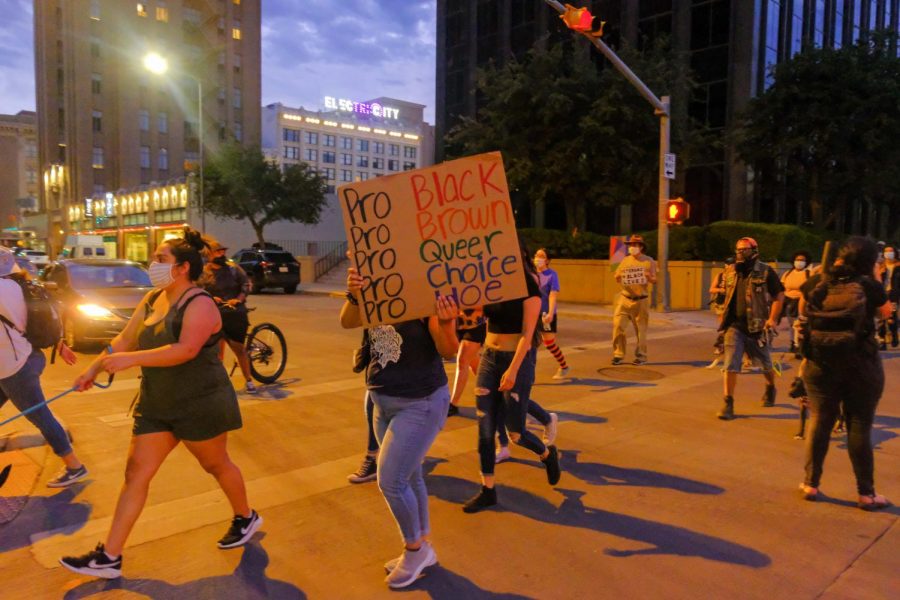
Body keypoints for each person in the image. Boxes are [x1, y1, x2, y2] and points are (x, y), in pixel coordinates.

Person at [60, 230, 261, 579]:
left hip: (200, 402)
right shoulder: (153, 299)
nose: (153, 264)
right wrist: (92, 369)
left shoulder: (200, 303)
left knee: (216, 465)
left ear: (183, 267)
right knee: (136, 473)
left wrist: (132, 360)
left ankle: (245, 516)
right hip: (157, 404)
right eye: (154, 258)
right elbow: (124, 338)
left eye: (161, 259)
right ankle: (110, 556)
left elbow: (184, 350)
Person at [340, 267, 459, 589]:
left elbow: (449, 350)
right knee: (411, 476)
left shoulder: (425, 288)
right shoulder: (373, 286)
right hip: (382, 401)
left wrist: (447, 322)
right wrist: (355, 294)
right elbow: (348, 321)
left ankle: (414, 549)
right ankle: (424, 546)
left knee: (391, 481)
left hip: (420, 402)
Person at [463, 241, 562, 514]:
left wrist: (513, 369)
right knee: (484, 430)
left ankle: (546, 454)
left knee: (515, 432)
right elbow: (477, 312)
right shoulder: (491, 283)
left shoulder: (529, 285)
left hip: (515, 360)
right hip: (489, 359)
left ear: (520, 254)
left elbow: (528, 335)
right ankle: (488, 490)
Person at [797, 236, 891, 510]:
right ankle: (867, 493)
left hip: (820, 363)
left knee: (820, 421)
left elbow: (804, 310)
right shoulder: (868, 286)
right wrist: (873, 278)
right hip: (860, 364)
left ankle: (810, 484)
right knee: (859, 426)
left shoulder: (818, 281)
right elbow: (885, 313)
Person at [0, 247, 86, 488]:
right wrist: (59, 345)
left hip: (15, 369)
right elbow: (31, 324)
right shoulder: (17, 286)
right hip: (23, 360)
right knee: (41, 416)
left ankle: (74, 466)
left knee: (41, 417)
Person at [716, 237, 785, 420]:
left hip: (756, 327)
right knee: (730, 365)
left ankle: (770, 387)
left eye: (744, 250)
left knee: (766, 365)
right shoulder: (730, 272)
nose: (740, 253)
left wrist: (772, 319)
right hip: (734, 326)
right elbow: (726, 297)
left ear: (754, 251)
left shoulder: (765, 271)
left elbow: (779, 295)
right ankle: (728, 402)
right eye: (738, 250)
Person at [198, 241, 256, 394]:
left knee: (238, 348)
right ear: (209, 255)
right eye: (217, 252)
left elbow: (246, 284)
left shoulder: (233, 269)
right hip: (215, 314)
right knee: (216, 350)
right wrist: (211, 297)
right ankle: (218, 382)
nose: (221, 254)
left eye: (222, 251)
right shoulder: (204, 273)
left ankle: (249, 380)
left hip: (234, 313)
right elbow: (199, 290)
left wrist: (239, 298)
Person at [612, 235, 657, 365]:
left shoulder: (649, 261)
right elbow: (617, 277)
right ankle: (618, 354)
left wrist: (649, 277)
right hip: (625, 298)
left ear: (641, 247)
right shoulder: (625, 260)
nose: (631, 247)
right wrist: (618, 276)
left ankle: (641, 356)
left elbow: (655, 280)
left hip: (641, 300)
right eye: (630, 245)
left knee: (641, 330)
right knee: (618, 326)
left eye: (634, 245)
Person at [534, 248, 569, 379]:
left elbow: (553, 295)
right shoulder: (531, 273)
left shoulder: (552, 275)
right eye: (536, 255)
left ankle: (564, 366)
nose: (537, 258)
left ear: (547, 260)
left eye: (541, 256)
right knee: (529, 344)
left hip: (545, 314)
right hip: (532, 313)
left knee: (549, 343)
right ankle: (526, 373)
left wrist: (550, 314)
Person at [447, 306, 486, 417]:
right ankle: (495, 391)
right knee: (474, 364)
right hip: (459, 325)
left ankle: (453, 404)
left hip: (476, 325)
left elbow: (486, 303)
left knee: (462, 361)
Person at [781, 250, 813, 357]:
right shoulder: (787, 274)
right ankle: (793, 343)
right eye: (797, 260)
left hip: (802, 302)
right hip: (789, 301)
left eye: (802, 260)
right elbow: (782, 287)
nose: (799, 262)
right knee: (791, 325)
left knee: (799, 325)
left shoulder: (809, 274)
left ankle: (799, 345)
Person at [877, 243, 899, 349]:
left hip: (893, 295)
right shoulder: (880, 265)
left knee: (892, 317)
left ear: (895, 253)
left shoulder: (898, 266)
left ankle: (894, 334)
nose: (888, 253)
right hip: (882, 294)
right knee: (881, 318)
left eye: (890, 251)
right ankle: (882, 340)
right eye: (886, 251)